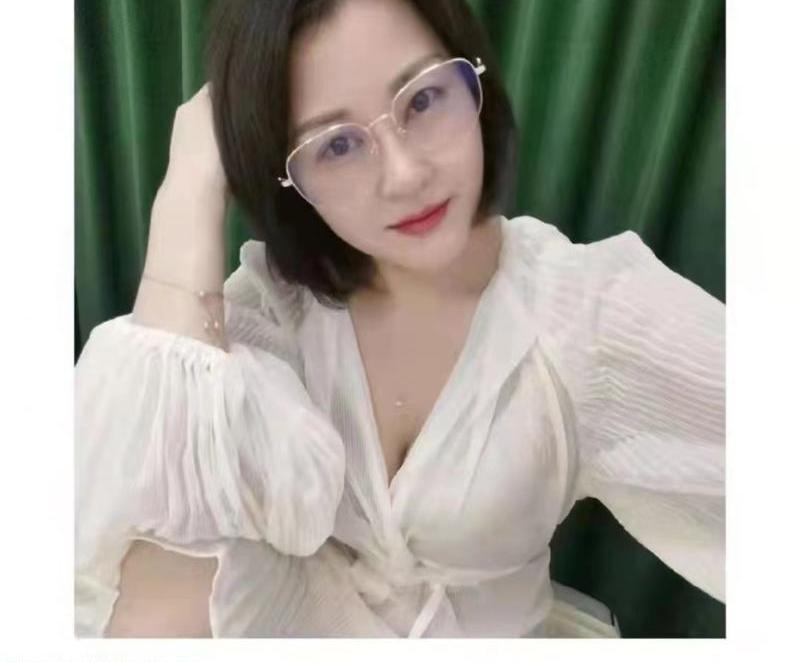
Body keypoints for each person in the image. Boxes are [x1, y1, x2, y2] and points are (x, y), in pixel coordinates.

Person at [74, 0, 725, 638]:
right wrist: (190, 181)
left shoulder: (585, 316)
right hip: (319, 623)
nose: (406, 174)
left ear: (471, 78)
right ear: (290, 179)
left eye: (423, 99)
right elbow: (144, 490)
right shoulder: (283, 303)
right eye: (337, 145)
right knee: (163, 573)